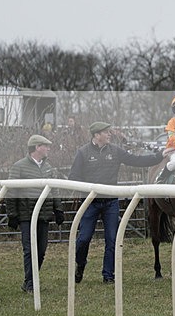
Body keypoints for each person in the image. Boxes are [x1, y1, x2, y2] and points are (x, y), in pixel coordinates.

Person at [69, 121, 163, 284]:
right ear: (96, 135)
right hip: (90, 203)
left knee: (112, 239)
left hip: (111, 203)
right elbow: (74, 177)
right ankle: (80, 264)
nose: (109, 134)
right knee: (83, 238)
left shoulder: (115, 151)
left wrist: (160, 156)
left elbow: (136, 160)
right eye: (106, 132)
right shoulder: (83, 153)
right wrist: (87, 190)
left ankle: (108, 275)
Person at [5, 134, 64, 293]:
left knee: (41, 250)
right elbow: (11, 191)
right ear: (37, 147)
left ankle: (31, 279)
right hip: (26, 215)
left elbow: (54, 190)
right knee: (29, 249)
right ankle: (30, 283)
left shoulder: (48, 167)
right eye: (46, 146)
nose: (48, 149)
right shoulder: (19, 166)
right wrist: (12, 214)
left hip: (44, 215)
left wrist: (58, 209)